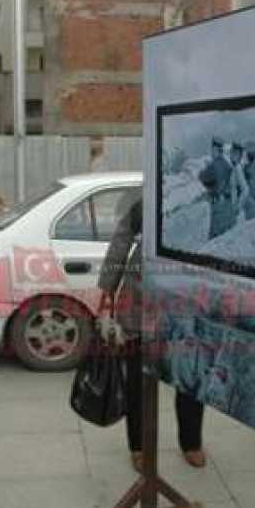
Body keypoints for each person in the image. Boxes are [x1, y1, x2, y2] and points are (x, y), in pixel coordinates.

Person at [98, 188, 206, 472]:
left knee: (190, 376)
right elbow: (121, 241)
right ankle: (138, 446)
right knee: (137, 380)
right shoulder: (143, 200)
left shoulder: (199, 196)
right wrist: (107, 288)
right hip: (140, 299)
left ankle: (191, 442)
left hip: (187, 298)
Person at [199, 137, 236, 240]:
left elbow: (202, 177)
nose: (211, 152)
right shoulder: (226, 164)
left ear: (216, 149)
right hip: (227, 205)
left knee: (214, 240)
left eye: (213, 150)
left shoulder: (214, 164)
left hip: (218, 204)